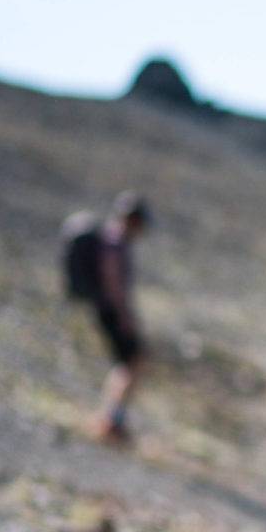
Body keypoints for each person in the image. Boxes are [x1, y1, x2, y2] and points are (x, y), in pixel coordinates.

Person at [74, 191, 149, 446]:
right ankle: (111, 421)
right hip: (112, 311)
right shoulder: (115, 242)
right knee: (132, 364)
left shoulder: (111, 239)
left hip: (108, 309)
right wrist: (125, 315)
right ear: (134, 220)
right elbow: (113, 283)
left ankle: (111, 418)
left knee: (127, 364)